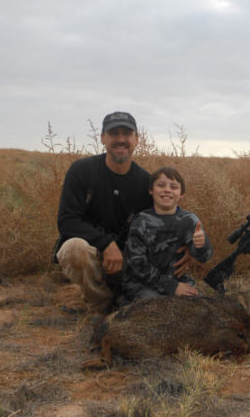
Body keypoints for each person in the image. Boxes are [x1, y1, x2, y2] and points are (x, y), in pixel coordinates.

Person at [53, 112, 193, 314]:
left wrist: (188, 245)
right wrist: (107, 244)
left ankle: (122, 292)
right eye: (113, 133)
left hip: (131, 263)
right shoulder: (81, 171)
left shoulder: (145, 182)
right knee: (73, 248)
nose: (121, 139)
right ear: (102, 138)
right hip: (93, 256)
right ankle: (103, 307)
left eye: (127, 133)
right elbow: (67, 221)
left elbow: (167, 218)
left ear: (137, 139)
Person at [123, 166, 214, 301]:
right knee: (157, 307)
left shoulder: (189, 220)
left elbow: (204, 257)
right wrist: (171, 287)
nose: (167, 190)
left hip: (178, 281)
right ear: (151, 190)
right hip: (142, 284)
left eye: (174, 187)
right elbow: (137, 264)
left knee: (201, 306)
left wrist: (201, 245)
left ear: (181, 193)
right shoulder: (141, 220)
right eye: (161, 185)